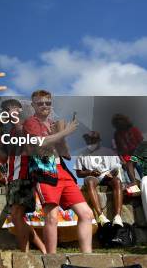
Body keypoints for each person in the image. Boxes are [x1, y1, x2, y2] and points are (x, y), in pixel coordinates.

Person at [23, 90, 92, 254]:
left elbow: (66, 155)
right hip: (43, 168)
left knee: (86, 213)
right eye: (40, 103)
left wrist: (61, 135)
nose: (44, 106)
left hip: (61, 169)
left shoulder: (53, 123)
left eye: (47, 103)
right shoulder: (30, 122)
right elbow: (39, 143)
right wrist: (65, 131)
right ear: (33, 105)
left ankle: (88, 257)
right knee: (52, 216)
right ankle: (51, 259)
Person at [0, 100, 46, 253]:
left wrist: (15, 119)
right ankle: (42, 249)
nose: (7, 112)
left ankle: (25, 253)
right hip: (13, 176)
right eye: (5, 110)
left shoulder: (27, 124)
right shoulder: (9, 131)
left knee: (17, 215)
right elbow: (3, 158)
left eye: (9, 108)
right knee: (18, 217)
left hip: (24, 174)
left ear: (19, 109)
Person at [74, 130, 123, 227]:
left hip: (107, 176)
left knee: (117, 181)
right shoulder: (81, 154)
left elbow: (116, 168)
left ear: (99, 141)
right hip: (93, 177)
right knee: (89, 181)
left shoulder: (108, 151)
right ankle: (101, 215)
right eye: (88, 140)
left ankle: (118, 216)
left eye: (93, 140)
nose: (90, 143)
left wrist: (111, 174)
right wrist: (90, 172)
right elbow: (78, 173)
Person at [112, 114, 144, 185]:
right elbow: (119, 150)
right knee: (129, 164)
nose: (119, 123)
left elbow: (141, 143)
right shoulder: (116, 134)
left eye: (121, 121)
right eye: (117, 122)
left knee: (138, 165)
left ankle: (143, 180)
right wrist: (122, 160)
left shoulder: (134, 129)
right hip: (127, 156)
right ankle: (134, 182)